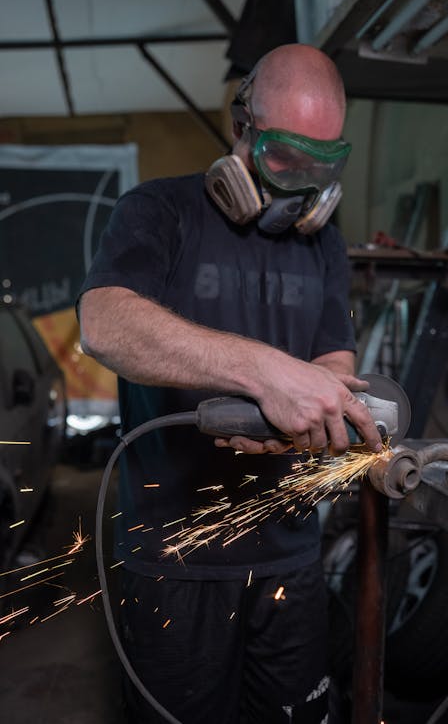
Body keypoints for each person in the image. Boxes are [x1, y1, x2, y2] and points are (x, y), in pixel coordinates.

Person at [78, 43, 382, 724]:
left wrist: (312, 419)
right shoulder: (157, 212)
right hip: (174, 562)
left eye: (324, 163)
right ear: (241, 126)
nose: (304, 182)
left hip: (291, 555)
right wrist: (264, 372)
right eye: (285, 158)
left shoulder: (324, 245)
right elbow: (102, 323)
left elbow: (334, 363)